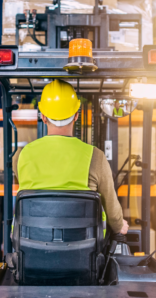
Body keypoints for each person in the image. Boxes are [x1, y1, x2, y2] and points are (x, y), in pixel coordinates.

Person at [14, 80, 129, 236]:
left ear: (43, 117)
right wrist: (119, 224)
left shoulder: (21, 155)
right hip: (84, 254)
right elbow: (114, 215)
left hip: (31, 249)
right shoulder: (96, 157)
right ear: (76, 115)